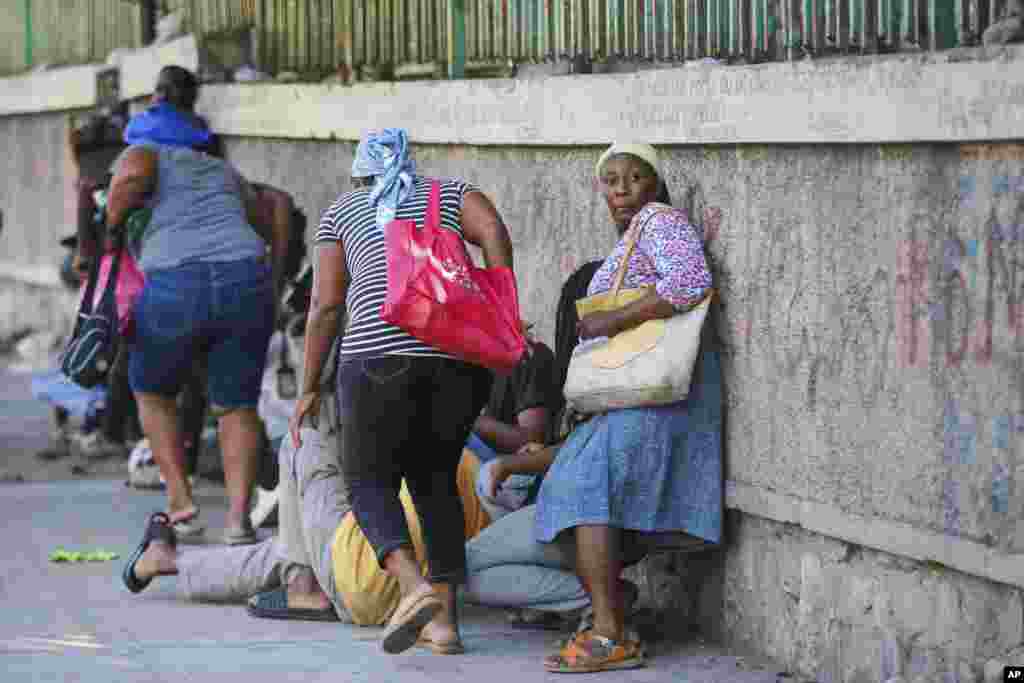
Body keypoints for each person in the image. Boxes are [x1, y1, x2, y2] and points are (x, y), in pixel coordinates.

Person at [291, 128, 514, 655]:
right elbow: (495, 231)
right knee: (435, 482)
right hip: (456, 362)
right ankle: (445, 626)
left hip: (376, 360)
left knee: (369, 483)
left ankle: (413, 589)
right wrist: (499, 299)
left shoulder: (343, 211)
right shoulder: (449, 193)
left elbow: (325, 306)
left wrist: (308, 387)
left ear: (359, 173)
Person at [122, 353, 496, 639]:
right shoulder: (468, 467)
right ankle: (172, 562)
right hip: (421, 597)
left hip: (363, 581)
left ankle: (302, 588)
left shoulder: (412, 431)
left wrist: (311, 390)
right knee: (283, 548)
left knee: (303, 432)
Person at [533, 143, 723, 673]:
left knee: (589, 489)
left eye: (633, 179)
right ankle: (610, 615)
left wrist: (609, 321)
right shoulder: (636, 236)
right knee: (574, 491)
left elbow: (690, 282)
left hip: (652, 393)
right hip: (631, 396)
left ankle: (609, 632)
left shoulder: (659, 220)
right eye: (611, 181)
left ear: (654, 184)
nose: (621, 191)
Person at [107, 65, 287, 545]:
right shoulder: (222, 170)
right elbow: (273, 211)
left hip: (175, 282)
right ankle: (236, 521)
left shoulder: (144, 155)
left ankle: (183, 505)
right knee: (236, 406)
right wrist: (277, 277)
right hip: (244, 280)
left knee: (151, 391)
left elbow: (128, 180)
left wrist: (111, 226)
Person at [464, 333, 558, 521]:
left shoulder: (527, 356)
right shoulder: (464, 361)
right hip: (491, 470)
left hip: (527, 471)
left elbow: (532, 441)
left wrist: (465, 419)